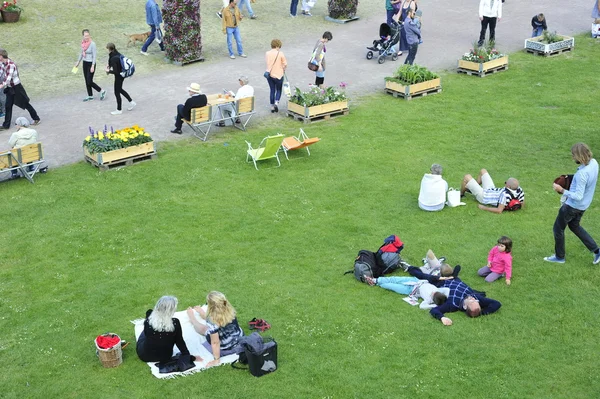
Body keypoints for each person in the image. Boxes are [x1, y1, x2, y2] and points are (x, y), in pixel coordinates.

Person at [544, 143, 600, 265]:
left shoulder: (582, 174)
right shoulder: (594, 163)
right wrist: (569, 177)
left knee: (558, 229)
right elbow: (583, 182)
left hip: (572, 207)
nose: (572, 158)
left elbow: (578, 196)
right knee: (574, 226)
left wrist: (562, 190)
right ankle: (597, 251)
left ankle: (559, 257)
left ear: (579, 156)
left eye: (573, 155)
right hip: (584, 205)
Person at [408, 267, 501, 326]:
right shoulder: (477, 298)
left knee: (421, 274)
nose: (474, 299)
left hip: (440, 281)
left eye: (472, 302)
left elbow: (434, 310)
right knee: (447, 268)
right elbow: (497, 304)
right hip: (453, 278)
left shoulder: (452, 305)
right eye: (476, 302)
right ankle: (437, 267)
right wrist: (480, 312)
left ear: (465, 307)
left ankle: (408, 267)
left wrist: (442, 318)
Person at [186, 291, 244, 367]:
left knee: (204, 329)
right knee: (211, 328)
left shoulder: (212, 320)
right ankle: (197, 315)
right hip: (240, 339)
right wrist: (202, 313)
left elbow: (215, 342)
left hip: (227, 347)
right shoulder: (230, 310)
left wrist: (216, 359)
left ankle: (192, 318)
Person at [136, 296, 195, 363]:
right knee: (149, 316)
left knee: (146, 327)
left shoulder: (148, 322)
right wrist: (187, 355)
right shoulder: (175, 323)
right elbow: (180, 342)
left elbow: (146, 335)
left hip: (145, 355)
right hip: (165, 356)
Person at [0, 49, 41, 130]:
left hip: (17, 88)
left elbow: (8, 78)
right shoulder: (2, 63)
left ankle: (36, 118)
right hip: (10, 88)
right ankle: (6, 125)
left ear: (1, 56)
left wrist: (1, 85)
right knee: (8, 106)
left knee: (25, 104)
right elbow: (1, 72)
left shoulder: (11, 65)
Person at [460, 169, 525, 214]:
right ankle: (472, 188)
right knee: (483, 171)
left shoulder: (505, 195)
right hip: (491, 190)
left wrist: (484, 208)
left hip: (483, 196)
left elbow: (499, 210)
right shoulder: (520, 190)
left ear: (509, 187)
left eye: (506, 183)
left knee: (467, 177)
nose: (505, 184)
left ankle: (461, 193)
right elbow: (521, 203)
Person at [75, 29, 106, 102]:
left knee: (89, 81)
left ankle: (101, 90)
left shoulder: (92, 44)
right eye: (85, 36)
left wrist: (93, 65)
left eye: (88, 35)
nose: (87, 37)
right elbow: (81, 53)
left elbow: (94, 56)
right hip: (85, 63)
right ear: (83, 36)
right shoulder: (83, 43)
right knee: (86, 80)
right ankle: (90, 95)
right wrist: (78, 62)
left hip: (91, 63)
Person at [105, 43, 136, 115]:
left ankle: (119, 109)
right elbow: (113, 62)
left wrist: (109, 71)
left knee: (117, 92)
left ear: (109, 49)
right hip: (122, 75)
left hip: (119, 76)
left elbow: (116, 71)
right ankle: (131, 102)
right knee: (120, 89)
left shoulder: (113, 58)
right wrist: (109, 66)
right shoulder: (116, 53)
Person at [265, 39, 287, 113]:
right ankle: (276, 103)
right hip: (279, 75)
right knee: (279, 90)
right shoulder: (280, 54)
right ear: (277, 46)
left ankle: (272, 106)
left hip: (269, 74)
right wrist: (283, 69)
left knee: (272, 90)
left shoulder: (267, 53)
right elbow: (285, 64)